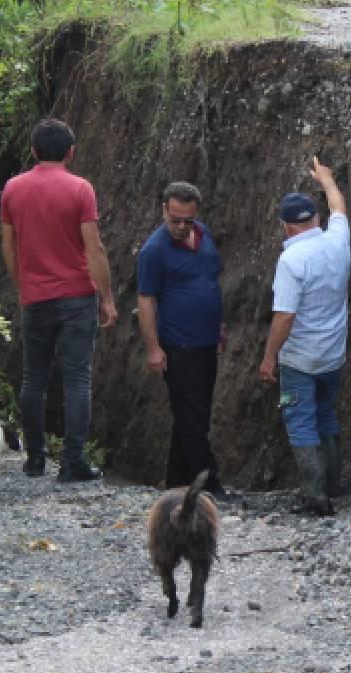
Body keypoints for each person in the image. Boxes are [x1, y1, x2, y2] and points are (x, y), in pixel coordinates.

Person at [0, 118, 117, 483]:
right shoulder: (80, 189)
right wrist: (107, 298)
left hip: (36, 297)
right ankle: (72, 462)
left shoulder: (13, 189)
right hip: (77, 296)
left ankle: (34, 458)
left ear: (33, 151)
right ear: (71, 152)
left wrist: (24, 285)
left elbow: (8, 245)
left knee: (34, 377)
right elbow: (93, 248)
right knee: (77, 379)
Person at [259, 157, 351, 516]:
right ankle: (333, 484)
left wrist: (269, 358)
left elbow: (284, 316)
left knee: (300, 421)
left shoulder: (292, 261)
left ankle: (316, 496)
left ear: (286, 227)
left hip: (300, 359)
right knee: (326, 414)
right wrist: (327, 181)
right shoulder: (337, 241)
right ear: (316, 220)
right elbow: (339, 208)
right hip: (333, 355)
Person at [136, 182, 229, 496]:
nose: (180, 226)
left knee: (190, 414)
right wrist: (153, 348)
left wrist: (218, 325)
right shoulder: (154, 251)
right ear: (164, 210)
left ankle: (176, 482)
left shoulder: (203, 235)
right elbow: (146, 300)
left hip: (206, 342)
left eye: (186, 220)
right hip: (179, 346)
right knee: (194, 419)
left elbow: (209, 279)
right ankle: (209, 483)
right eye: (174, 218)